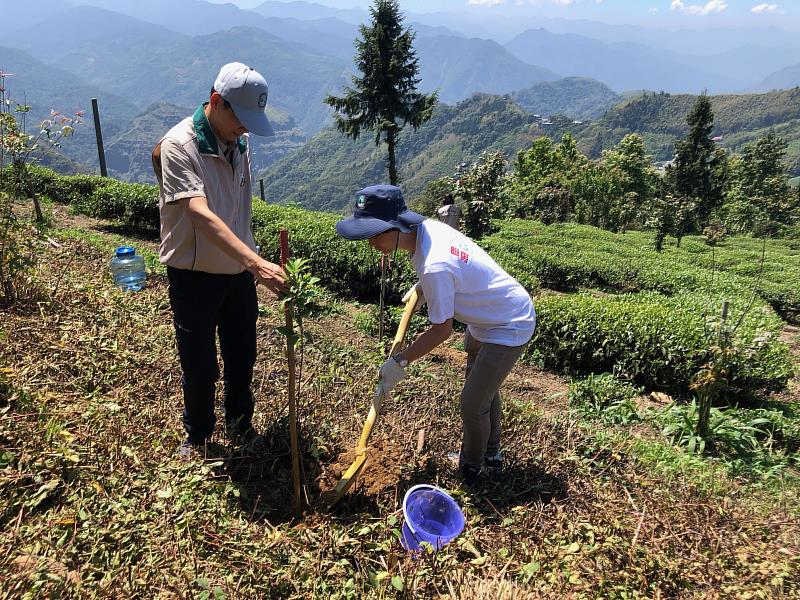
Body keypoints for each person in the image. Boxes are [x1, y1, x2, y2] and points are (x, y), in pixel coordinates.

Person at [335, 185, 536, 486]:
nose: (372, 242)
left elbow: (442, 330)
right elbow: (451, 272)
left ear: (398, 226)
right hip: (485, 314)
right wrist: (424, 289)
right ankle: (491, 454)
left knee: (471, 403)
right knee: (483, 391)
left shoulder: (434, 265)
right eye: (368, 235)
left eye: (377, 233)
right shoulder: (425, 230)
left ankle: (472, 467)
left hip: (508, 323)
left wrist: (400, 361)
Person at [151, 62, 287, 458]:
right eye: (241, 119)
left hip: (238, 271)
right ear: (216, 102)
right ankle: (197, 435)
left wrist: (249, 262)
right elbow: (200, 213)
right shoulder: (181, 145)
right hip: (194, 274)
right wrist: (258, 264)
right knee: (199, 363)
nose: (246, 128)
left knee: (243, 353)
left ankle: (240, 424)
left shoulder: (240, 143)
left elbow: (236, 208)